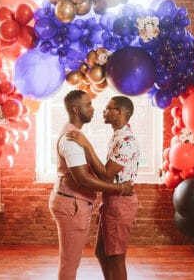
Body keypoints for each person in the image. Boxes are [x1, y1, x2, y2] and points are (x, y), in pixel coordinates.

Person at [49, 90, 134, 280]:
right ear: (76, 109)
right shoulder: (72, 139)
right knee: (70, 262)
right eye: (88, 105)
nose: (94, 109)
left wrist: (87, 146)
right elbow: (83, 179)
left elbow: (101, 173)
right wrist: (120, 188)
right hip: (72, 204)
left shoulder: (77, 135)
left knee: (105, 256)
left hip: (75, 202)